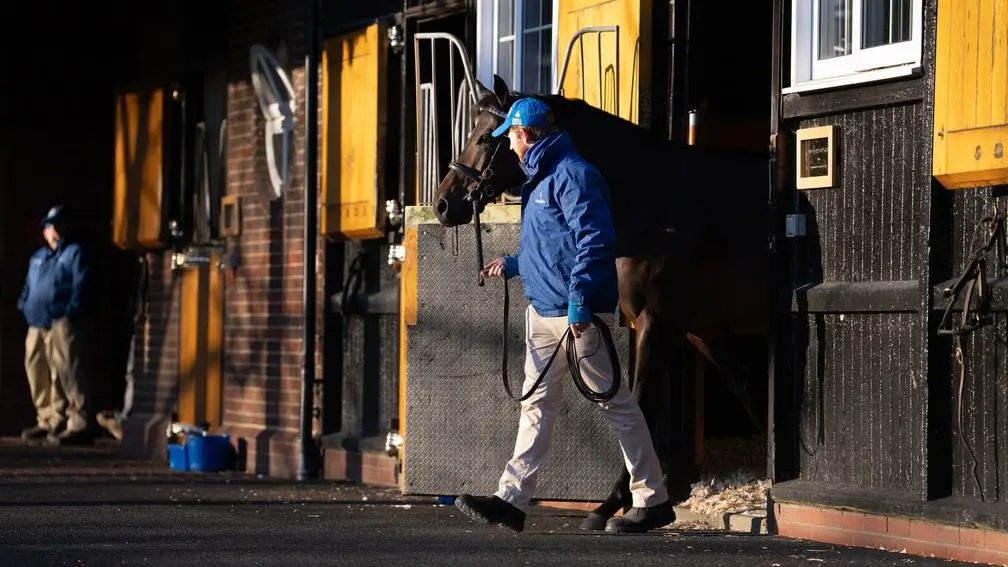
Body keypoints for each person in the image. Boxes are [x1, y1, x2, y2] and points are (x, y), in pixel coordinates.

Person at [454, 98, 674, 533]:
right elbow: (555, 243)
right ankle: (511, 499)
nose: (509, 147)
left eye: (510, 137)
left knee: (615, 403)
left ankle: (653, 498)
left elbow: (594, 241)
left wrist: (579, 302)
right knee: (537, 405)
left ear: (524, 134)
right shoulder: (543, 176)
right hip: (548, 309)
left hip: (577, 313)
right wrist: (515, 264)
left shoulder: (574, 174)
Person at [17, 205, 93, 446]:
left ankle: (76, 422)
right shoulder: (38, 258)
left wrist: (71, 311)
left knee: (67, 371)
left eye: (58, 225)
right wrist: (24, 302)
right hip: (36, 322)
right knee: (37, 370)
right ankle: (47, 418)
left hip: (61, 320)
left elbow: (82, 284)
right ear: (44, 231)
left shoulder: (73, 252)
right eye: (50, 226)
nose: (54, 230)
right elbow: (30, 285)